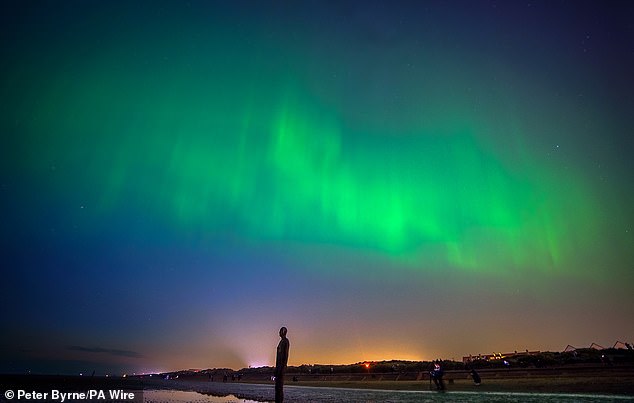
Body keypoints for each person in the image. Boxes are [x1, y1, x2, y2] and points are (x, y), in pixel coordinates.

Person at [275, 326, 290, 403]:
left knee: (280, 386)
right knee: (277, 386)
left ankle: (280, 401)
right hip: (278, 366)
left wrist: (283, 366)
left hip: (281, 366)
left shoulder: (286, 341)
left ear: (283, 332)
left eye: (280, 331)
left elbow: (286, 354)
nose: (279, 333)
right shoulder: (281, 342)